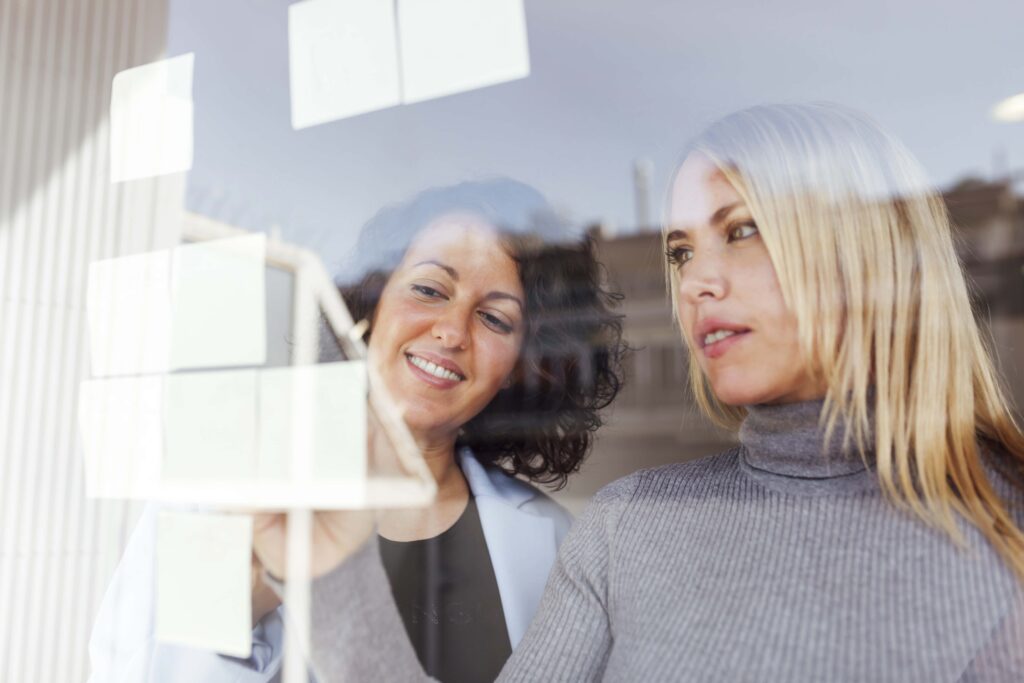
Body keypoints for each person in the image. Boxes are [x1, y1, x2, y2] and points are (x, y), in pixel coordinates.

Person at [260, 104, 1024, 682]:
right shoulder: (629, 524)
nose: (697, 281)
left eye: (742, 229)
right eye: (681, 250)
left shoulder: (1007, 538)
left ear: (864, 251)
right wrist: (334, 581)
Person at [87, 179, 626, 682]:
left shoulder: (552, 542)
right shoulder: (228, 482)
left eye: (495, 319)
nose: (451, 332)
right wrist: (239, 600)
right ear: (373, 299)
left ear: (521, 367)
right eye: (429, 289)